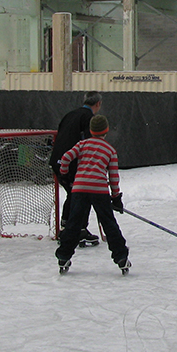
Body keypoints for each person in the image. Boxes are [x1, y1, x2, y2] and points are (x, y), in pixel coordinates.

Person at [55, 114, 130, 275]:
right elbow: (113, 177)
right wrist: (116, 197)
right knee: (109, 224)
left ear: (90, 130)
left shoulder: (82, 144)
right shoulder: (110, 150)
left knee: (74, 224)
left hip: (79, 189)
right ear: (106, 130)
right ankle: (121, 257)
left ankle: (63, 256)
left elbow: (66, 157)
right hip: (100, 191)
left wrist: (65, 175)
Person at [50, 91, 102, 246]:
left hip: (57, 162)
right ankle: (78, 230)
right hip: (71, 163)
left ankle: (67, 227)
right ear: (98, 104)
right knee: (82, 194)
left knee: (73, 194)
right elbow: (88, 143)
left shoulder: (70, 115)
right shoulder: (89, 119)